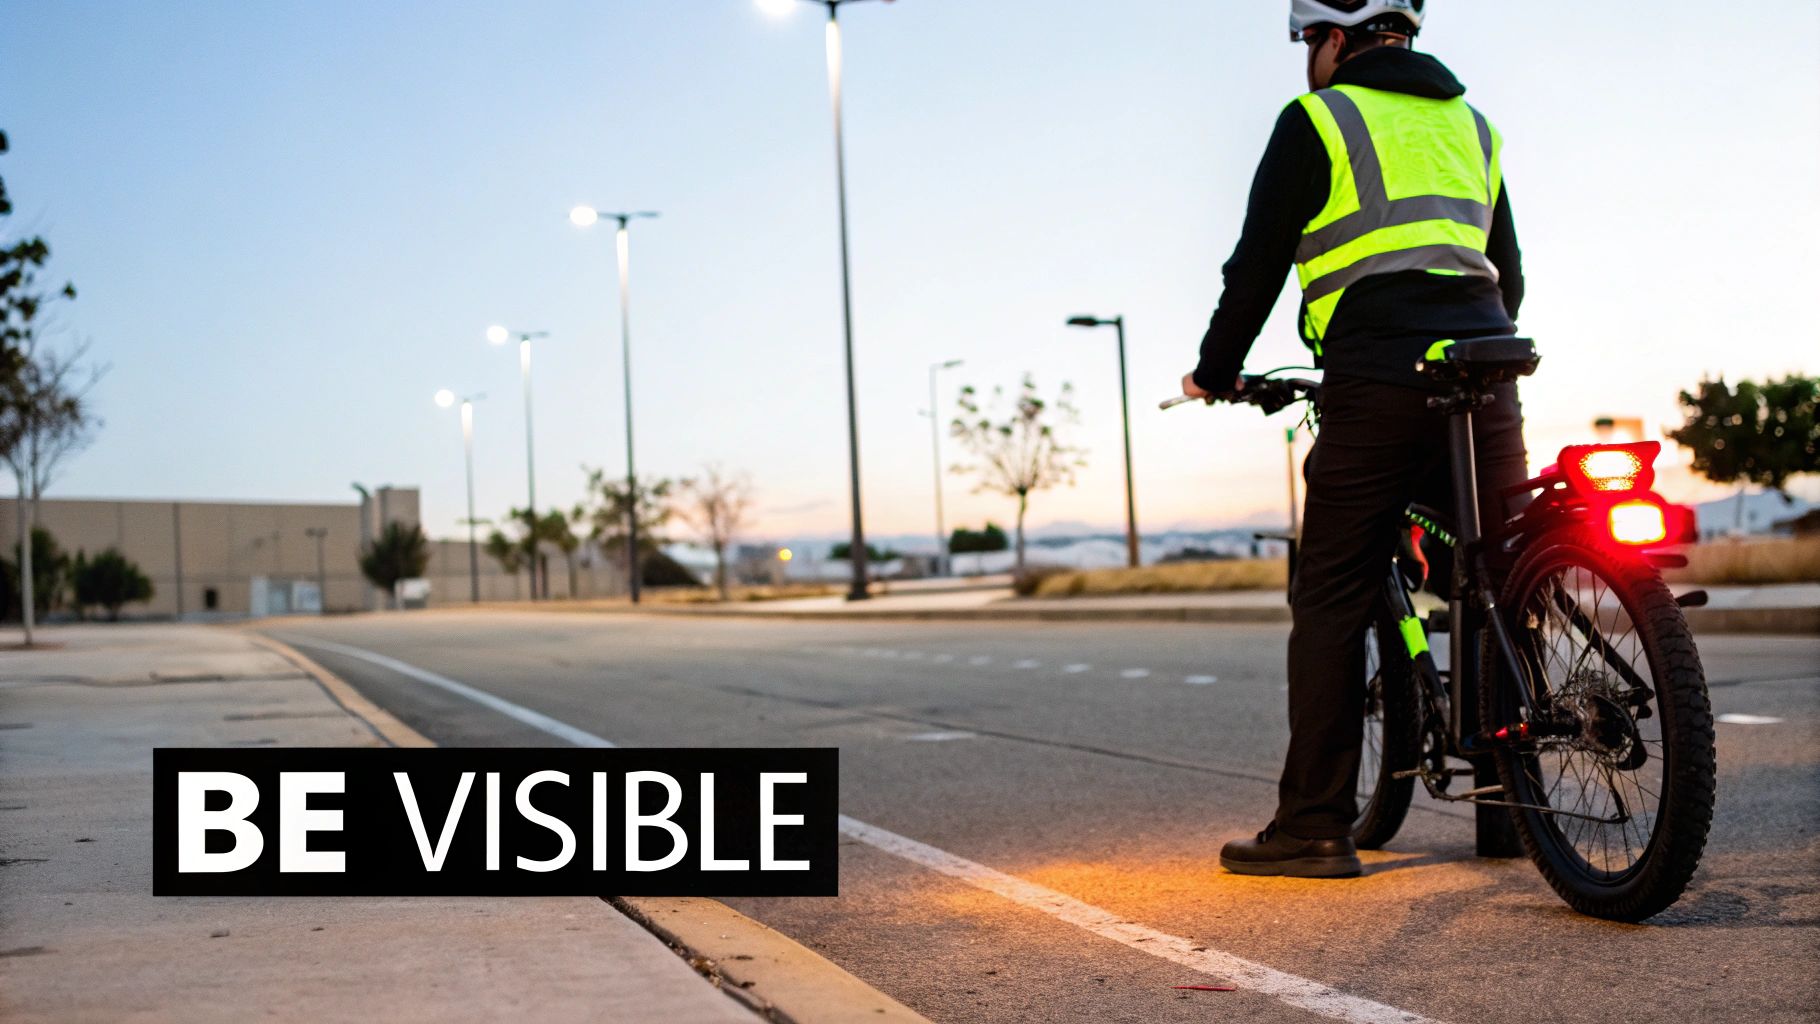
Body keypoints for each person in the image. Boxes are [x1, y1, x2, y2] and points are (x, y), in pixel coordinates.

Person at [1179, 0, 1529, 878]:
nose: (1306, 59)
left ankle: (1314, 826)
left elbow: (1257, 261)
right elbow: (1508, 272)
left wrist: (1216, 369)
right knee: (1491, 573)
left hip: (1377, 377)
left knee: (1331, 592)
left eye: (1307, 42)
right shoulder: (1471, 124)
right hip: (1483, 369)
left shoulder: (1320, 117)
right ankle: (1508, 807)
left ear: (1335, 37)